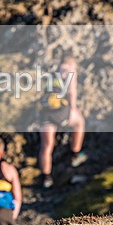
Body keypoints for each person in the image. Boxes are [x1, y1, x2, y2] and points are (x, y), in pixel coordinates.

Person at [38, 53, 87, 188]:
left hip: (46, 114)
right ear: (72, 63)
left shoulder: (52, 74)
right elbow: (71, 91)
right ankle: (75, 154)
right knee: (79, 123)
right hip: (61, 111)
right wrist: (74, 108)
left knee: (46, 146)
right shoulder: (70, 71)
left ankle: (46, 178)